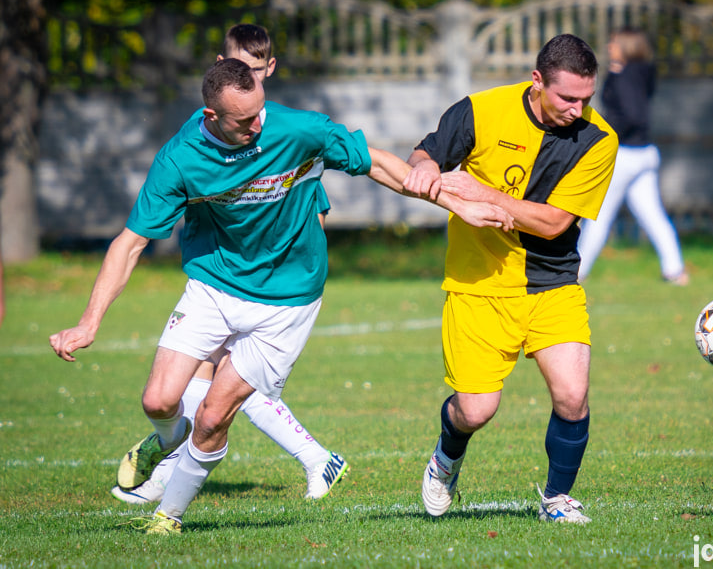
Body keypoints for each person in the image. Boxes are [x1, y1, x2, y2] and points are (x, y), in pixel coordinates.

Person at [49, 58, 512, 534]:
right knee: (160, 401)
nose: (257, 125)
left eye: (260, 112)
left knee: (214, 416)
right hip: (215, 285)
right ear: (212, 118)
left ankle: (169, 517)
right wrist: (89, 322)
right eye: (243, 121)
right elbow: (130, 244)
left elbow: (379, 164)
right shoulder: (180, 158)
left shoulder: (295, 129)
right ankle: (166, 438)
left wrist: (457, 204)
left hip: (288, 301)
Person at [109, 23, 346, 506]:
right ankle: (314, 459)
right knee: (199, 392)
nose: (250, 82)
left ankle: (311, 459)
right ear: (218, 69)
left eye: (257, 73)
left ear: (268, 72)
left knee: (222, 393)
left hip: (266, 286)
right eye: (238, 70)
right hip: (216, 272)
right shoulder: (197, 142)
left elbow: (310, 204)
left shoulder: (285, 136)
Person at [402, 34, 618, 524]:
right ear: (537, 81)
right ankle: (446, 457)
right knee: (475, 411)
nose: (578, 109)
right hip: (478, 283)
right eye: (567, 97)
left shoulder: (599, 139)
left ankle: (558, 499)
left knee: (572, 394)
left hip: (553, 282)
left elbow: (553, 223)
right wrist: (423, 171)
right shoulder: (481, 111)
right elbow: (426, 155)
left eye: (587, 98)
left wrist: (485, 194)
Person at [576, 28, 688, 285]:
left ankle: (577, 271)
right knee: (652, 214)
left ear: (627, 46)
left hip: (624, 154)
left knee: (598, 214)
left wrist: (605, 137)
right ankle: (675, 271)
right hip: (646, 153)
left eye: (614, 43)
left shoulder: (624, 77)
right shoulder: (639, 73)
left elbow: (631, 114)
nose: (609, 46)